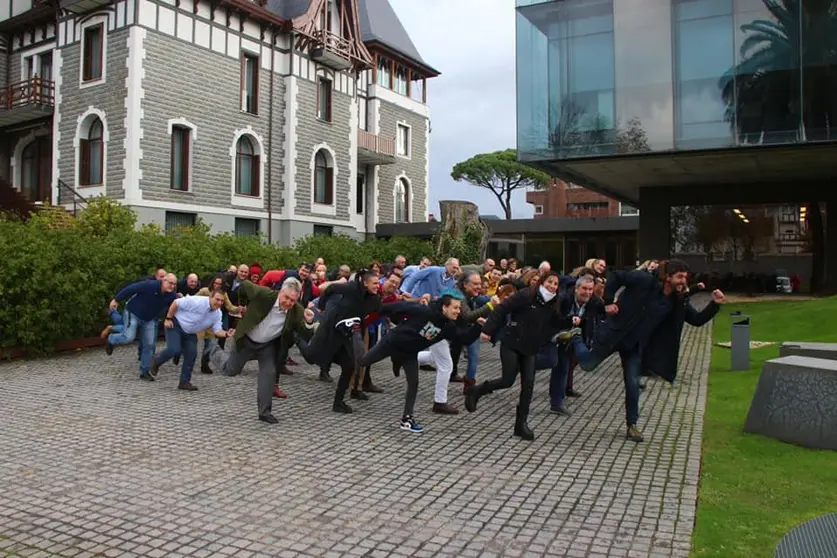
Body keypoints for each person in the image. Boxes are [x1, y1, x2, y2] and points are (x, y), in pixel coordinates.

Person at [566, 259, 725, 442]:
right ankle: (576, 335)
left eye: (685, 278)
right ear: (668, 276)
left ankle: (631, 425)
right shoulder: (644, 280)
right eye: (680, 277)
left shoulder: (676, 300)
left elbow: (696, 320)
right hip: (615, 334)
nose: (683, 281)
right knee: (587, 364)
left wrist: (714, 304)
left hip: (635, 346)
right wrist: (608, 302)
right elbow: (616, 276)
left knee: (633, 384)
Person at [464, 272, 579, 441]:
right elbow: (502, 309)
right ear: (541, 282)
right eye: (550, 282)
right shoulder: (526, 295)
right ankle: (476, 391)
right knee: (507, 380)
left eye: (556, 284)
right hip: (512, 342)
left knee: (528, 386)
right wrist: (487, 330)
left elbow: (554, 322)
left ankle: (521, 425)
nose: (552, 286)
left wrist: (570, 321)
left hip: (531, 348)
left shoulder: (554, 302)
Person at [357, 290, 483, 433]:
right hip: (392, 343)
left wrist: (478, 326)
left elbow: (464, 338)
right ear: (444, 307)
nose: (458, 311)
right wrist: (369, 310)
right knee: (362, 362)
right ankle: (342, 352)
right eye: (455, 308)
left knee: (414, 383)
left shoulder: (448, 327)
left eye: (459, 308)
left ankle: (407, 419)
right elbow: (396, 307)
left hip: (409, 353)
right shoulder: (424, 311)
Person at [206, 278, 316, 424]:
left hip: (268, 346)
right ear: (280, 292)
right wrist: (243, 304)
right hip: (247, 340)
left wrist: (308, 322)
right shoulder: (264, 294)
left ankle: (264, 413)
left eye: (293, 300)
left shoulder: (297, 311)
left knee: (269, 374)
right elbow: (244, 286)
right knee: (230, 370)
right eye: (286, 298)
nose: (288, 303)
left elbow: (305, 334)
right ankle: (212, 348)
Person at [302, 269, 412, 413]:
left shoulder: (374, 300)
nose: (377, 286)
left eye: (377, 283)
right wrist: (322, 307)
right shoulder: (351, 288)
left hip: (347, 334)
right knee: (311, 358)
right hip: (330, 328)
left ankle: (338, 403)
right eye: (374, 283)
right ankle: (297, 338)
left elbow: (386, 310)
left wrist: (410, 308)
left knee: (349, 366)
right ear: (365, 283)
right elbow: (331, 289)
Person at [149, 291, 233, 390]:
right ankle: (156, 360)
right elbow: (176, 302)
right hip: (176, 324)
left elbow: (217, 330)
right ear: (210, 297)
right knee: (174, 349)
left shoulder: (217, 314)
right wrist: (168, 318)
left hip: (190, 332)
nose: (219, 303)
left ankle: (184, 382)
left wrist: (227, 334)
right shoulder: (197, 301)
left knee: (191, 354)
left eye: (222, 301)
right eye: (217, 299)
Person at [103, 274, 178, 381]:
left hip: (150, 319)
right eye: (170, 283)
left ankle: (144, 371)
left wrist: (169, 318)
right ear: (163, 280)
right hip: (133, 313)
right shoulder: (149, 285)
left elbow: (177, 306)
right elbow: (131, 288)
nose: (172, 286)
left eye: (174, 284)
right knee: (129, 337)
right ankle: (111, 339)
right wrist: (116, 299)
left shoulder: (171, 296)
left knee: (149, 344)